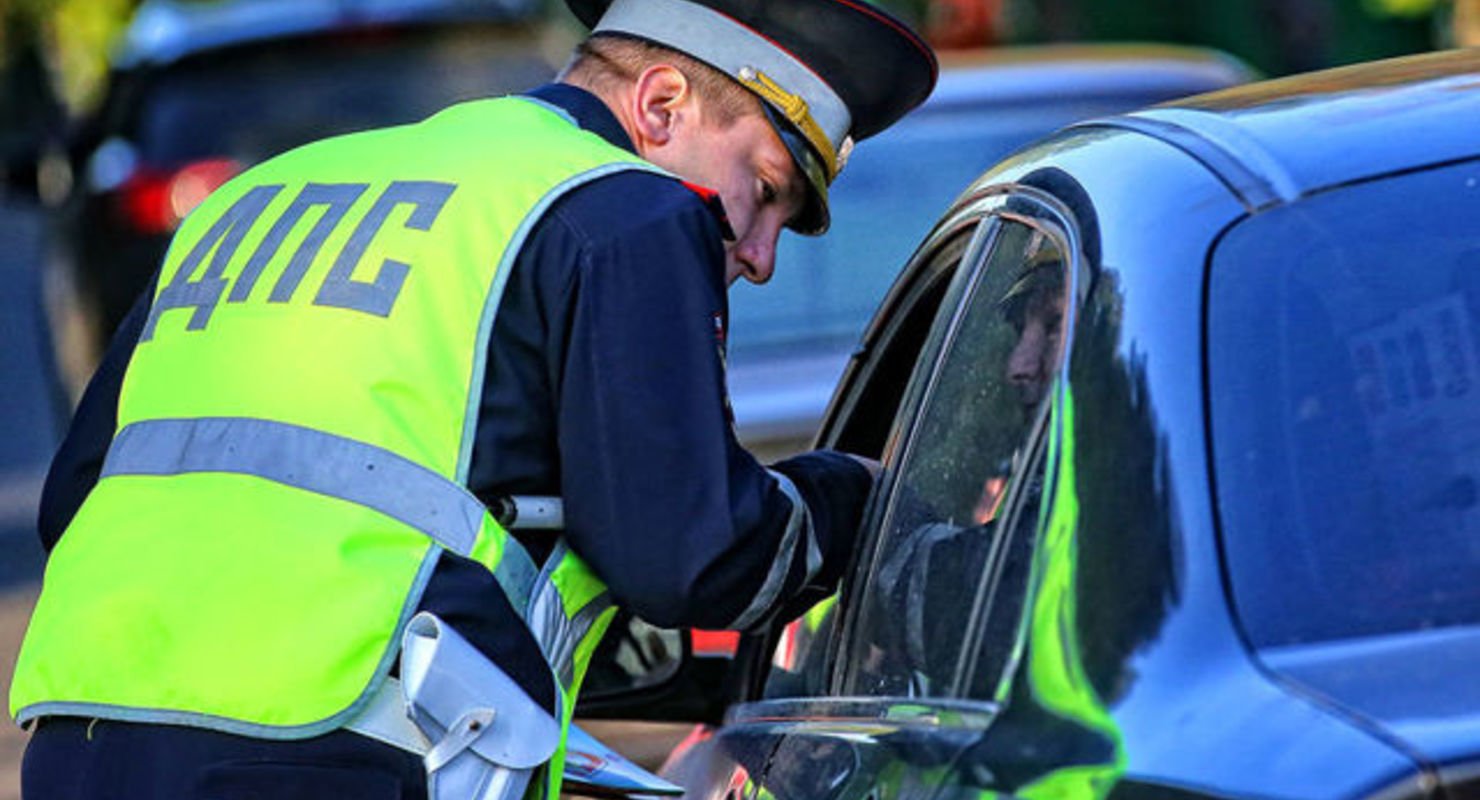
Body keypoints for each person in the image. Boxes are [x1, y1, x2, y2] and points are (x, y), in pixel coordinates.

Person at [10, 1, 938, 798]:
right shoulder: (628, 210)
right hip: (330, 752)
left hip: (83, 740)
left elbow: (80, 497)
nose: (762, 255)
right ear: (661, 105)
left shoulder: (252, 198)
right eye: (766, 193)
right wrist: (863, 495)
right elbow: (693, 554)